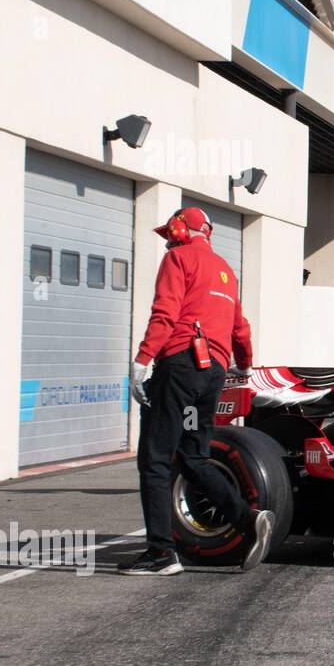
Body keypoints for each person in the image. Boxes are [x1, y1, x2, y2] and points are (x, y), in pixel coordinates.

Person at [121, 207, 274, 576]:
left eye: (170, 231)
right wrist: (246, 363)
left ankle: (161, 554)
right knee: (194, 458)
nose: (168, 239)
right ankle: (247, 519)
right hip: (214, 373)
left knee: (155, 459)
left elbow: (165, 312)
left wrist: (142, 359)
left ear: (181, 228)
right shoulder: (225, 270)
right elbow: (240, 326)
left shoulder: (178, 257)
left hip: (180, 364)